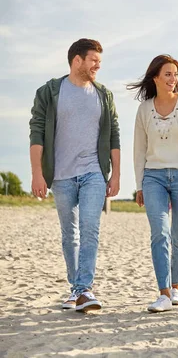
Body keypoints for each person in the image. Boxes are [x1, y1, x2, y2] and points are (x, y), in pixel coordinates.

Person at [29, 38, 121, 312]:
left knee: (90, 228)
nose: (97, 66)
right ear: (77, 60)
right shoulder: (49, 92)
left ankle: (84, 289)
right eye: (93, 60)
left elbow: (114, 134)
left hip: (94, 171)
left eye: (100, 62)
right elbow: (36, 132)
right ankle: (75, 290)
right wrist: (37, 173)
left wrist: (116, 174)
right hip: (61, 175)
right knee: (70, 234)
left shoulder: (104, 94)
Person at [130, 55, 178, 313]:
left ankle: (177, 288)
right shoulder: (144, 109)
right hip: (154, 176)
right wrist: (139, 184)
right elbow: (139, 149)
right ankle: (163, 293)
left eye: (175, 74)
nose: (173, 79)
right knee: (160, 232)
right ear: (156, 78)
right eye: (168, 74)